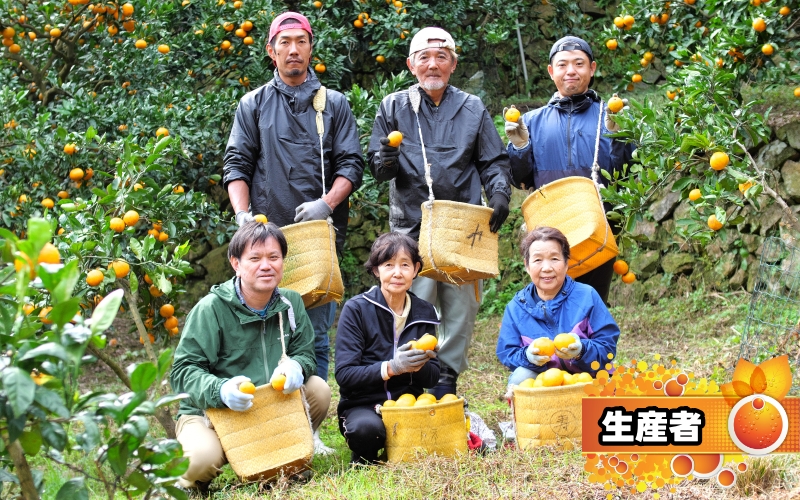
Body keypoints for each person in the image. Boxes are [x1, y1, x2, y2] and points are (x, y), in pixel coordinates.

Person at [222, 12, 364, 402]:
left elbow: (352, 164)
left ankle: (311, 422)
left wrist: (327, 203)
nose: (293, 50)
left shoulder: (332, 104)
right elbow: (237, 163)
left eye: (300, 41)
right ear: (271, 51)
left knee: (314, 333)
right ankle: (270, 414)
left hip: (316, 237)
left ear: (311, 49)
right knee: (263, 331)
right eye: (284, 43)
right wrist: (242, 217)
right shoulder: (253, 105)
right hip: (267, 239)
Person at [367, 27, 512, 398]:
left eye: (441, 57)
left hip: (462, 226)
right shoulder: (393, 106)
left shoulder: (472, 108)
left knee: (461, 308)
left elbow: (493, 160)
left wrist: (498, 194)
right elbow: (378, 167)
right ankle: (407, 377)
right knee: (412, 304)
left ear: (453, 64)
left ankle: (446, 378)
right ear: (411, 65)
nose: (433, 64)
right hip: (410, 228)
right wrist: (385, 159)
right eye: (424, 57)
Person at [170, 222, 332, 491]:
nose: (266, 266)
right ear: (236, 263)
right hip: (214, 412)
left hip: (269, 406)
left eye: (273, 257)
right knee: (199, 459)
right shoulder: (212, 308)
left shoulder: (291, 303)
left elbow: (305, 354)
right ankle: (189, 484)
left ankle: (278, 463)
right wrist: (220, 389)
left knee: (319, 390)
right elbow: (183, 372)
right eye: (254, 258)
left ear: (283, 261)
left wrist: (297, 367)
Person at [503, 35, 634, 303]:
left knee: (592, 303)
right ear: (552, 72)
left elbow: (625, 172)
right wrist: (519, 147)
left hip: (597, 225)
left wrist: (618, 135)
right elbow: (520, 179)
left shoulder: (607, 116)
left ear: (592, 69)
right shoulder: (531, 121)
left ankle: (591, 345)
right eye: (562, 65)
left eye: (579, 64)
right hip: (549, 227)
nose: (570, 71)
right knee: (550, 301)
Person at [334, 232, 440, 464]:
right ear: (376, 270)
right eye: (388, 265)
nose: (397, 273)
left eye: (404, 265)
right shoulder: (357, 309)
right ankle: (365, 450)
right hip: (363, 405)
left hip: (408, 404)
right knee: (366, 432)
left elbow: (432, 378)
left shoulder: (425, 312)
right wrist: (391, 367)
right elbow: (344, 375)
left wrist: (417, 365)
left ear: (416, 269)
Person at [495, 226, 620, 388]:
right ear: (527, 265)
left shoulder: (586, 296)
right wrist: (527, 356)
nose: (547, 268)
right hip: (545, 379)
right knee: (520, 379)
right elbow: (507, 352)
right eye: (538, 260)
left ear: (567, 263)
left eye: (554, 259)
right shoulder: (515, 308)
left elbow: (607, 346)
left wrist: (582, 350)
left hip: (587, 373)